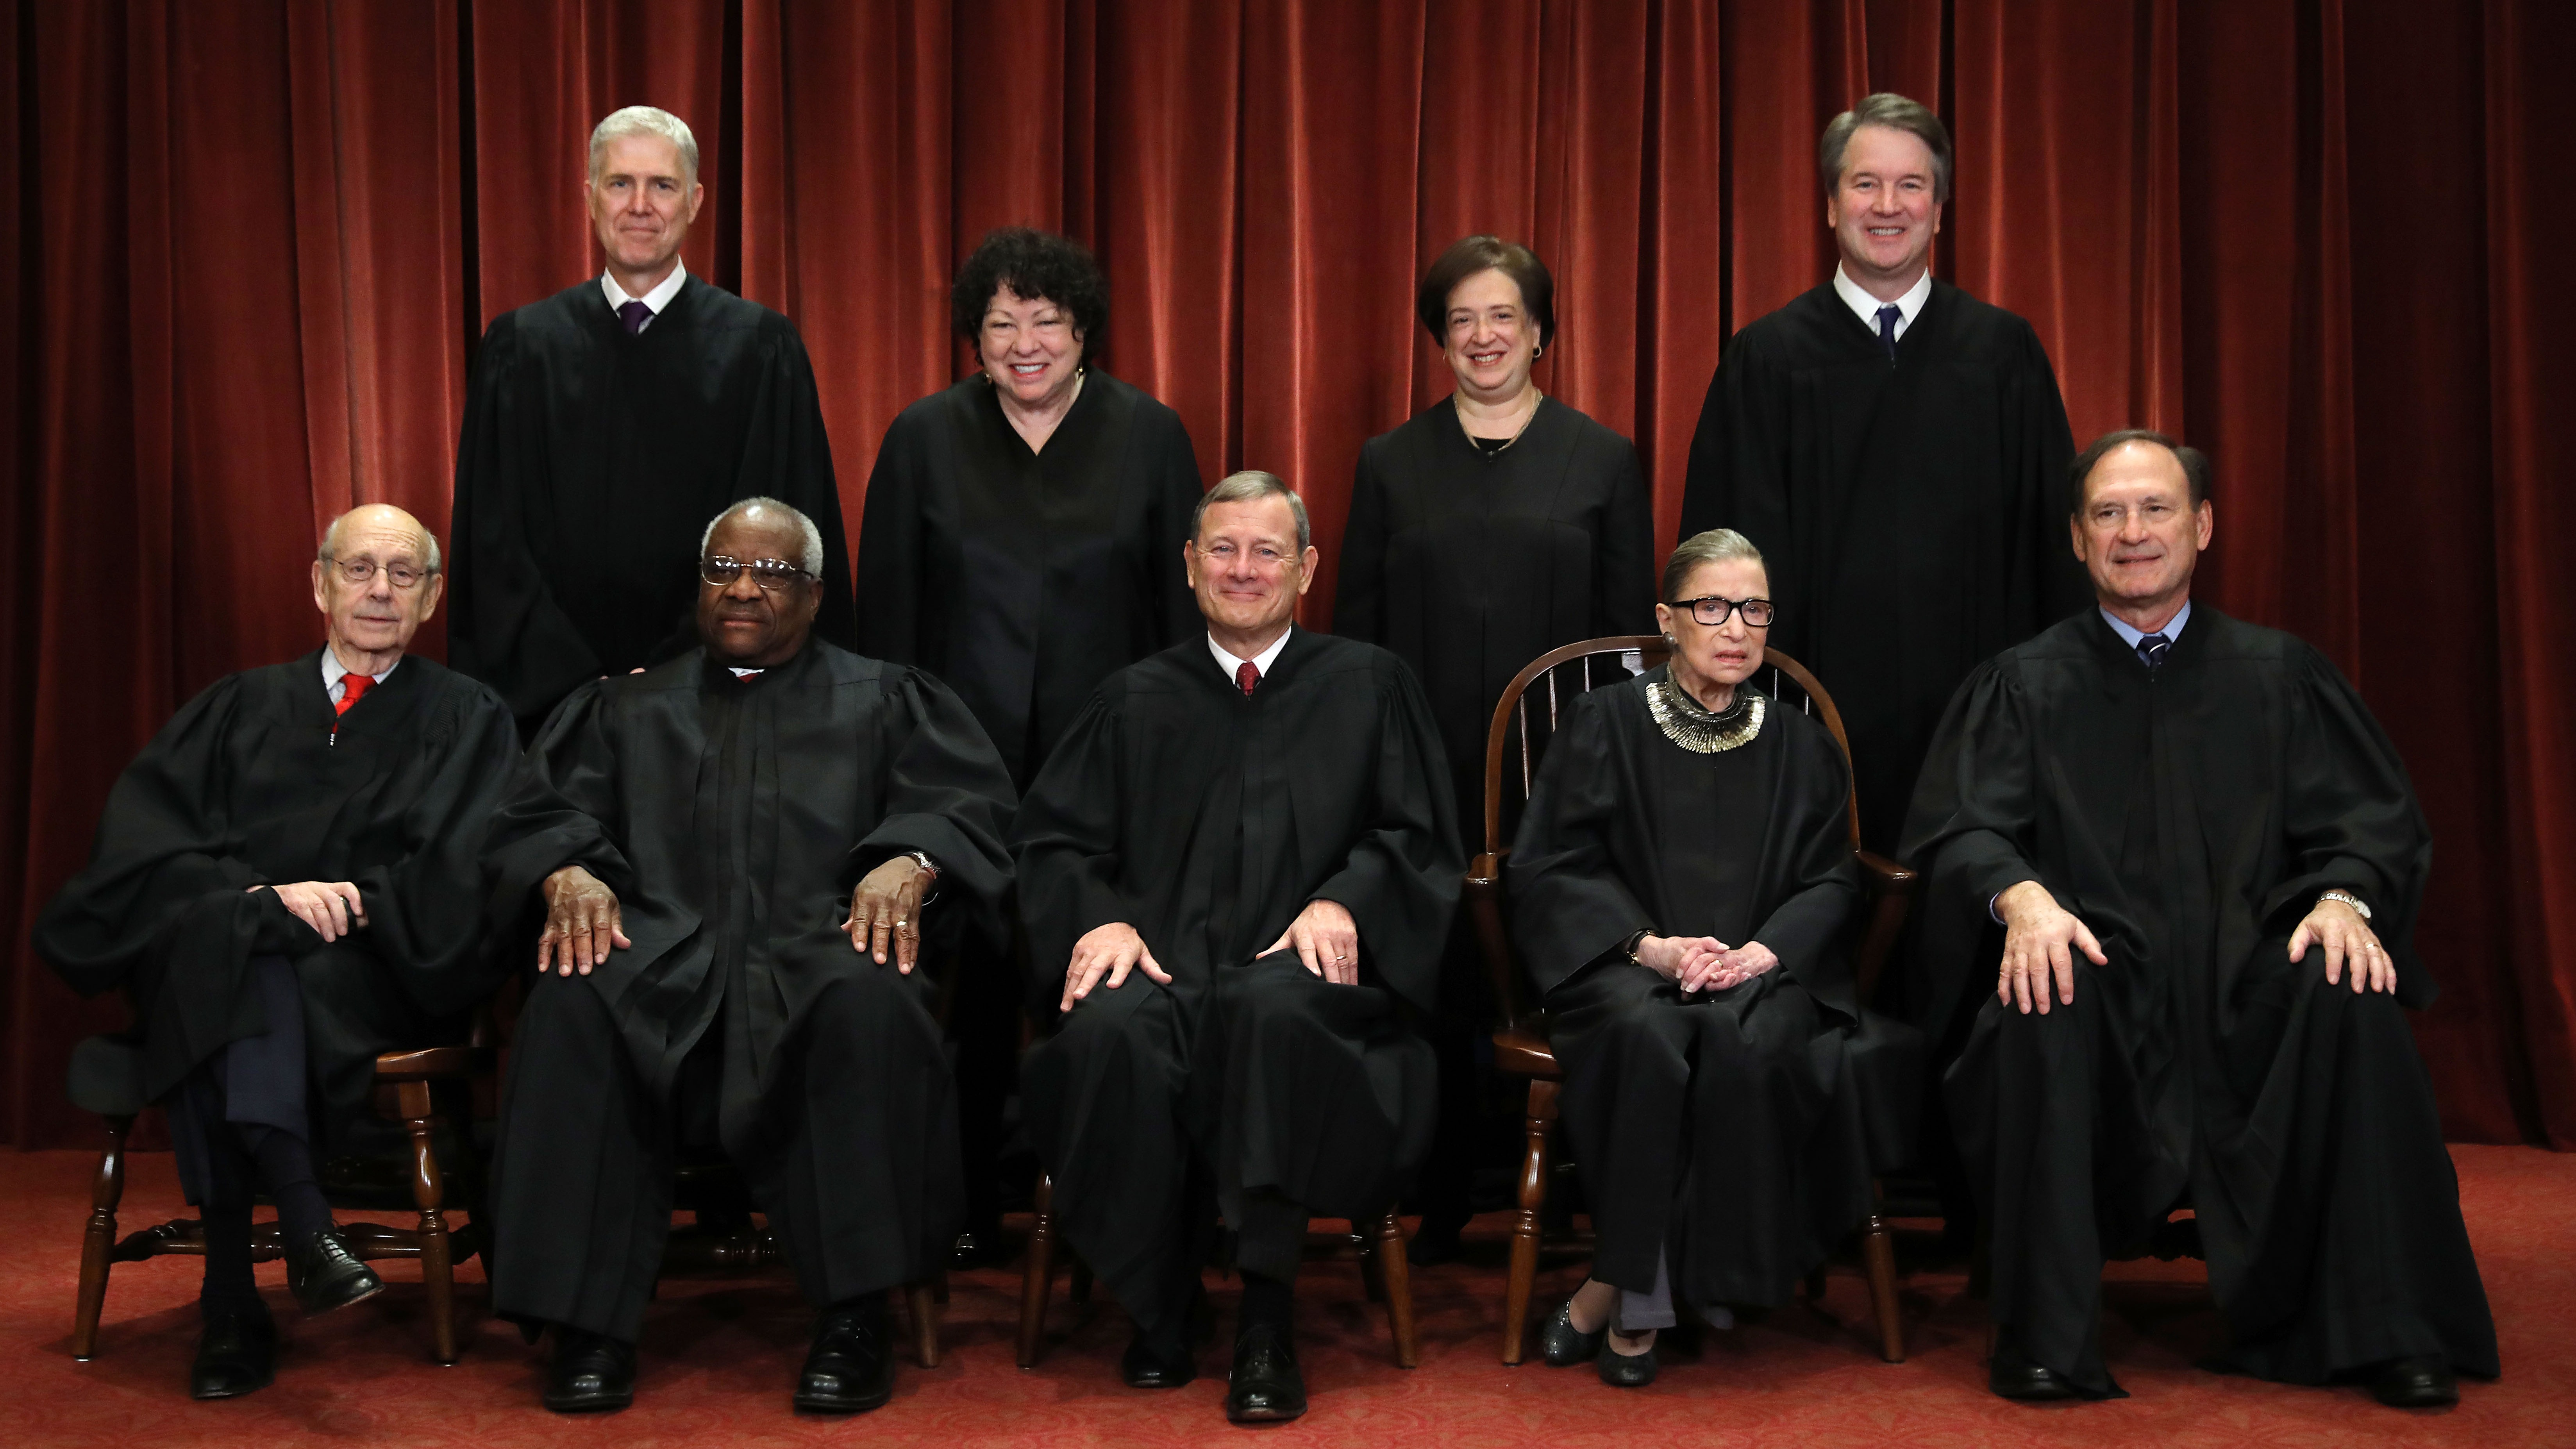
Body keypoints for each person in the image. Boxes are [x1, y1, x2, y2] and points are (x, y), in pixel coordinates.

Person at [1903, 431, 2499, 1406]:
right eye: (2108, 513)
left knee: (2348, 988)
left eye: (2156, 509)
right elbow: (1963, 829)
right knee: (2042, 991)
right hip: (2099, 979)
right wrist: (2024, 897)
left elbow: (2372, 822)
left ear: (2204, 526)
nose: (2133, 533)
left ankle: (2388, 1328)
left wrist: (2347, 897)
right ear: (2076, 537)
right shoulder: (2024, 686)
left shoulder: (2280, 677)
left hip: (2251, 987)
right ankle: (2044, 1336)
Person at [480, 498, 1017, 1415]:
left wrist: (913, 859)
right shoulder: (624, 707)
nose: (742, 587)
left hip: (816, 954)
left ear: (813, 594)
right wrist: (567, 870)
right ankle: (589, 1322)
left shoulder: (888, 698)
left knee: (868, 995)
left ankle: (856, 1315)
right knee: (575, 996)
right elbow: (538, 816)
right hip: (657, 962)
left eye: (771, 573)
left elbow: (970, 808)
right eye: (724, 568)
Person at [33, 506, 519, 1401]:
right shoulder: (238, 705)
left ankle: (233, 1298)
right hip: (240, 961)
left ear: (432, 595)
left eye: (403, 574)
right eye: (360, 568)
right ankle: (304, 1232)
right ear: (319, 583)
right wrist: (261, 901)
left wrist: (326, 908)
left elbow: (458, 875)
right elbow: (143, 852)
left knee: (231, 958)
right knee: (237, 945)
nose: (379, 590)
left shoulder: (467, 717)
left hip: (374, 972)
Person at [1013, 471, 1460, 1425]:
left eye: (1267, 551)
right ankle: (1158, 1302)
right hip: (1163, 964)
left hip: (1305, 981)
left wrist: (1346, 900)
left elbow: (1418, 839)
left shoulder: (1371, 685)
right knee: (1113, 1034)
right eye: (1223, 548)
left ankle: (1265, 1316)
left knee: (1273, 1012)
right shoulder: (1131, 699)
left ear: (1306, 568)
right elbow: (1055, 842)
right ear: (1188, 565)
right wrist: (1100, 916)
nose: (1243, 569)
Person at [856, 226, 1206, 1263]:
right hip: (956, 763)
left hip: (1109, 766)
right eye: (1000, 323)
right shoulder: (923, 436)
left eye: (1043, 320)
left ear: (1082, 327)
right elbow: (893, 623)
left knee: (1099, 980)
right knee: (958, 988)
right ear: (974, 335)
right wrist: (903, 771)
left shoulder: (1149, 434)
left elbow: (1176, 617)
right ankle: (958, 1203)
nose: (1023, 343)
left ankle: (1105, 1208)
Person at [1507, 529, 1908, 1386]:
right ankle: (1642, 1302)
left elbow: (1833, 883)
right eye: (1713, 606)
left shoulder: (1803, 745)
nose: (1737, 627)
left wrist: (1763, 952)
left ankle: (1612, 1285)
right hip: (1628, 966)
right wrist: (1651, 948)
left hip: (1760, 973)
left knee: (1742, 1039)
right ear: (1667, 618)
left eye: (1755, 608)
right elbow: (1549, 864)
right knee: (1648, 1037)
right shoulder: (1602, 722)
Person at [1336, 234, 1655, 1262]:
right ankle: (1430, 1187)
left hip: (1558, 779)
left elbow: (1625, 645)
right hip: (1423, 768)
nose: (1483, 336)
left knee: (1560, 963)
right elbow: (1359, 630)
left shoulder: (1601, 458)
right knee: (1433, 973)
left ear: (1541, 333)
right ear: (1440, 339)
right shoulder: (1389, 462)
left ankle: (1572, 1189)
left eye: (1503, 317)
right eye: (1462, 319)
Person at [1677, 93, 2087, 857]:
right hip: (1805, 722)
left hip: (1980, 719)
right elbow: (1717, 554)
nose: (1888, 206)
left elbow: (2053, 548)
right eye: (1865, 184)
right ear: (1831, 205)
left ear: (1940, 206)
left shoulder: (2004, 355)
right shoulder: (1765, 361)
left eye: (1912, 186)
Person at [448, 105, 854, 733]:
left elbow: (783, 538)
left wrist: (676, 666)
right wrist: (581, 685)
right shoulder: (521, 348)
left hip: (721, 700)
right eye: (620, 183)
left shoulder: (761, 348)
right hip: (551, 710)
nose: (640, 205)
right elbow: (493, 540)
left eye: (662, 185)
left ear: (693, 201)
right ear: (589, 197)